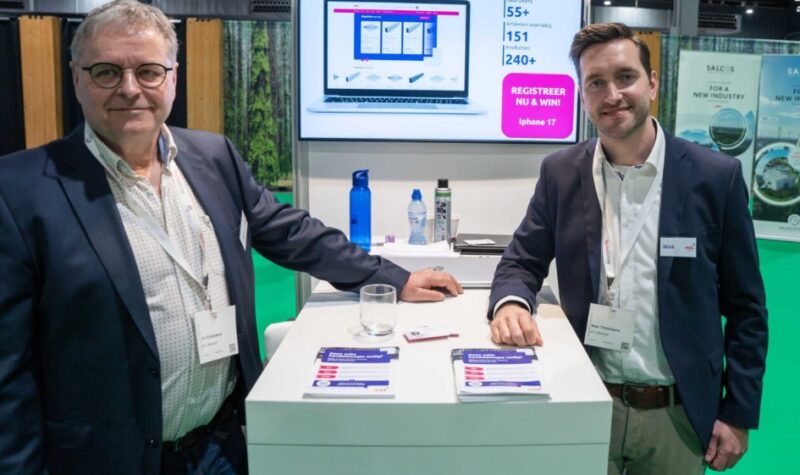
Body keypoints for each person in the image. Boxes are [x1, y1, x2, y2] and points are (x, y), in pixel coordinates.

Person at [0, 1, 461, 474]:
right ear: (77, 78)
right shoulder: (20, 190)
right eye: (107, 72)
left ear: (173, 78)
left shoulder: (212, 156)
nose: (130, 88)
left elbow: (290, 233)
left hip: (220, 448)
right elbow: (7, 373)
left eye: (149, 71)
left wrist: (394, 278)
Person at [488, 22, 767, 474]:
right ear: (583, 95)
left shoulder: (715, 178)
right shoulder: (560, 173)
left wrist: (737, 412)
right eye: (596, 83)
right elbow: (521, 260)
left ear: (652, 84)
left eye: (625, 77)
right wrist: (511, 303)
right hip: (585, 399)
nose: (612, 94)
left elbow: (747, 308)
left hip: (676, 415)